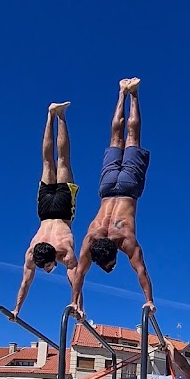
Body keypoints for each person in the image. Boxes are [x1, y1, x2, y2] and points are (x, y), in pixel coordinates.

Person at [71, 78, 154, 317]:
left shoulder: (125, 240)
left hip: (128, 189)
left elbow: (141, 272)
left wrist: (149, 300)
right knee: (116, 139)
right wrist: (74, 301)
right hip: (107, 189)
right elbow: (79, 274)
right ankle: (121, 92)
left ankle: (133, 94)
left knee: (132, 139)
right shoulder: (91, 238)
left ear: (114, 253)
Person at [12, 102, 80, 317]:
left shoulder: (64, 251)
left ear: (54, 257)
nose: (50, 269)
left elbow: (74, 277)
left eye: (49, 266)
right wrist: (16, 309)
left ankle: (59, 117)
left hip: (61, 209)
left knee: (61, 161)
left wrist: (77, 304)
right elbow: (25, 282)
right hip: (44, 210)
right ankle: (52, 115)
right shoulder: (33, 252)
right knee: (48, 163)